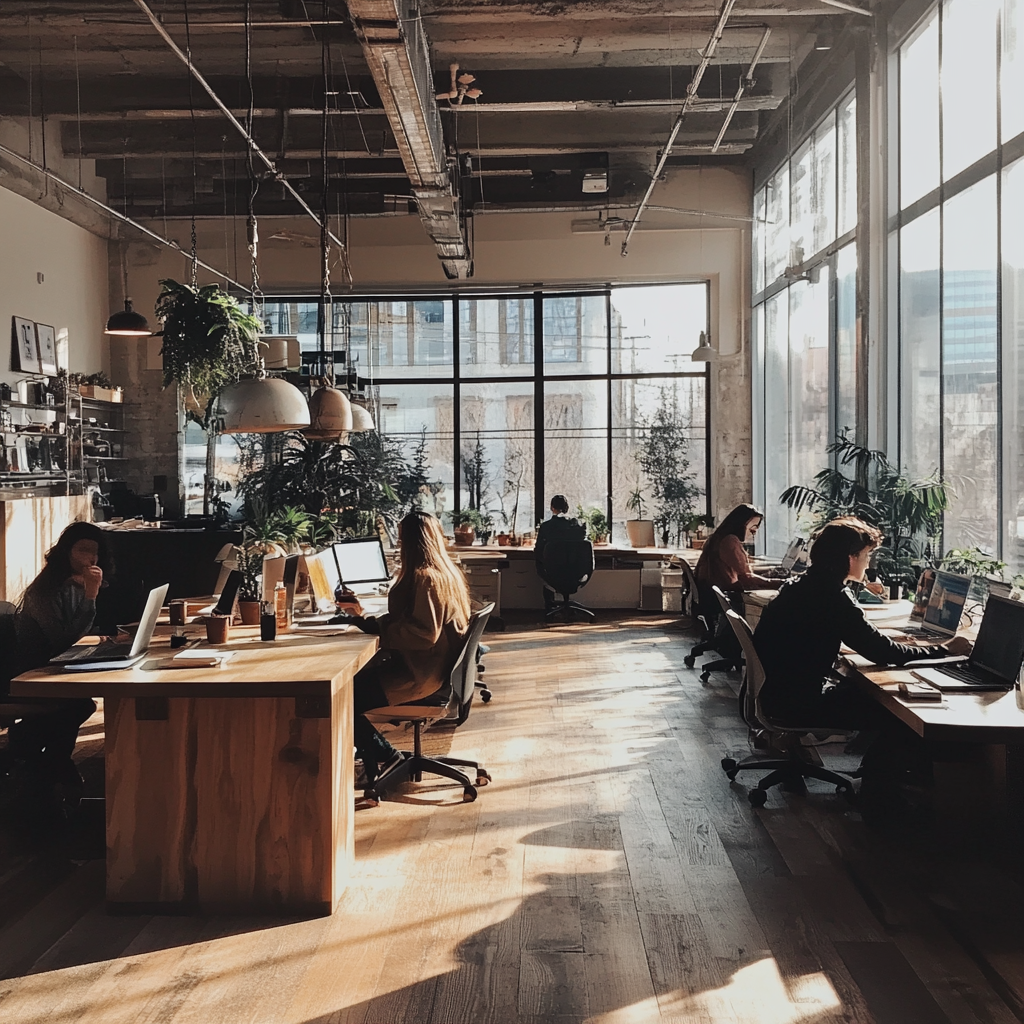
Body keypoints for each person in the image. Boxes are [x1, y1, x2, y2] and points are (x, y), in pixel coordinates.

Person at [753, 517, 972, 816]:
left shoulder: (804, 585)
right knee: (898, 711)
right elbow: (883, 652)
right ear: (849, 558)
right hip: (798, 703)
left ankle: (877, 780)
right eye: (867, 556)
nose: (868, 563)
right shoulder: (832, 597)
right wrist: (945, 649)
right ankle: (881, 796)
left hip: (781, 693)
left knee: (871, 693)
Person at [341, 511, 472, 783]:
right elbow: (412, 620)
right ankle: (369, 755)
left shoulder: (426, 578)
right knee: (351, 685)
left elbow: (423, 634)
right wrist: (370, 622)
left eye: (401, 539)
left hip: (418, 677)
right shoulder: (447, 573)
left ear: (411, 542)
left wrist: (377, 629)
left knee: (340, 698)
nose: (398, 544)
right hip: (433, 670)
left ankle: (385, 756)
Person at [9, 522, 106, 799]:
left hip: (54, 668)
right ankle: (45, 760)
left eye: (95, 552)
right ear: (66, 552)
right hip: (32, 673)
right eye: (83, 550)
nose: (92, 558)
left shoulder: (76, 584)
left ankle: (41, 761)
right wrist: (91, 596)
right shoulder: (43, 592)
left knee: (77, 705)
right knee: (76, 705)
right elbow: (60, 641)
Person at [534, 495, 587, 609]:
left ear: (552, 507)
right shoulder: (578, 525)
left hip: (553, 572)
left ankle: (549, 607)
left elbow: (538, 550)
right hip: (576, 572)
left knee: (545, 567)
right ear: (567, 508)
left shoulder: (546, 527)